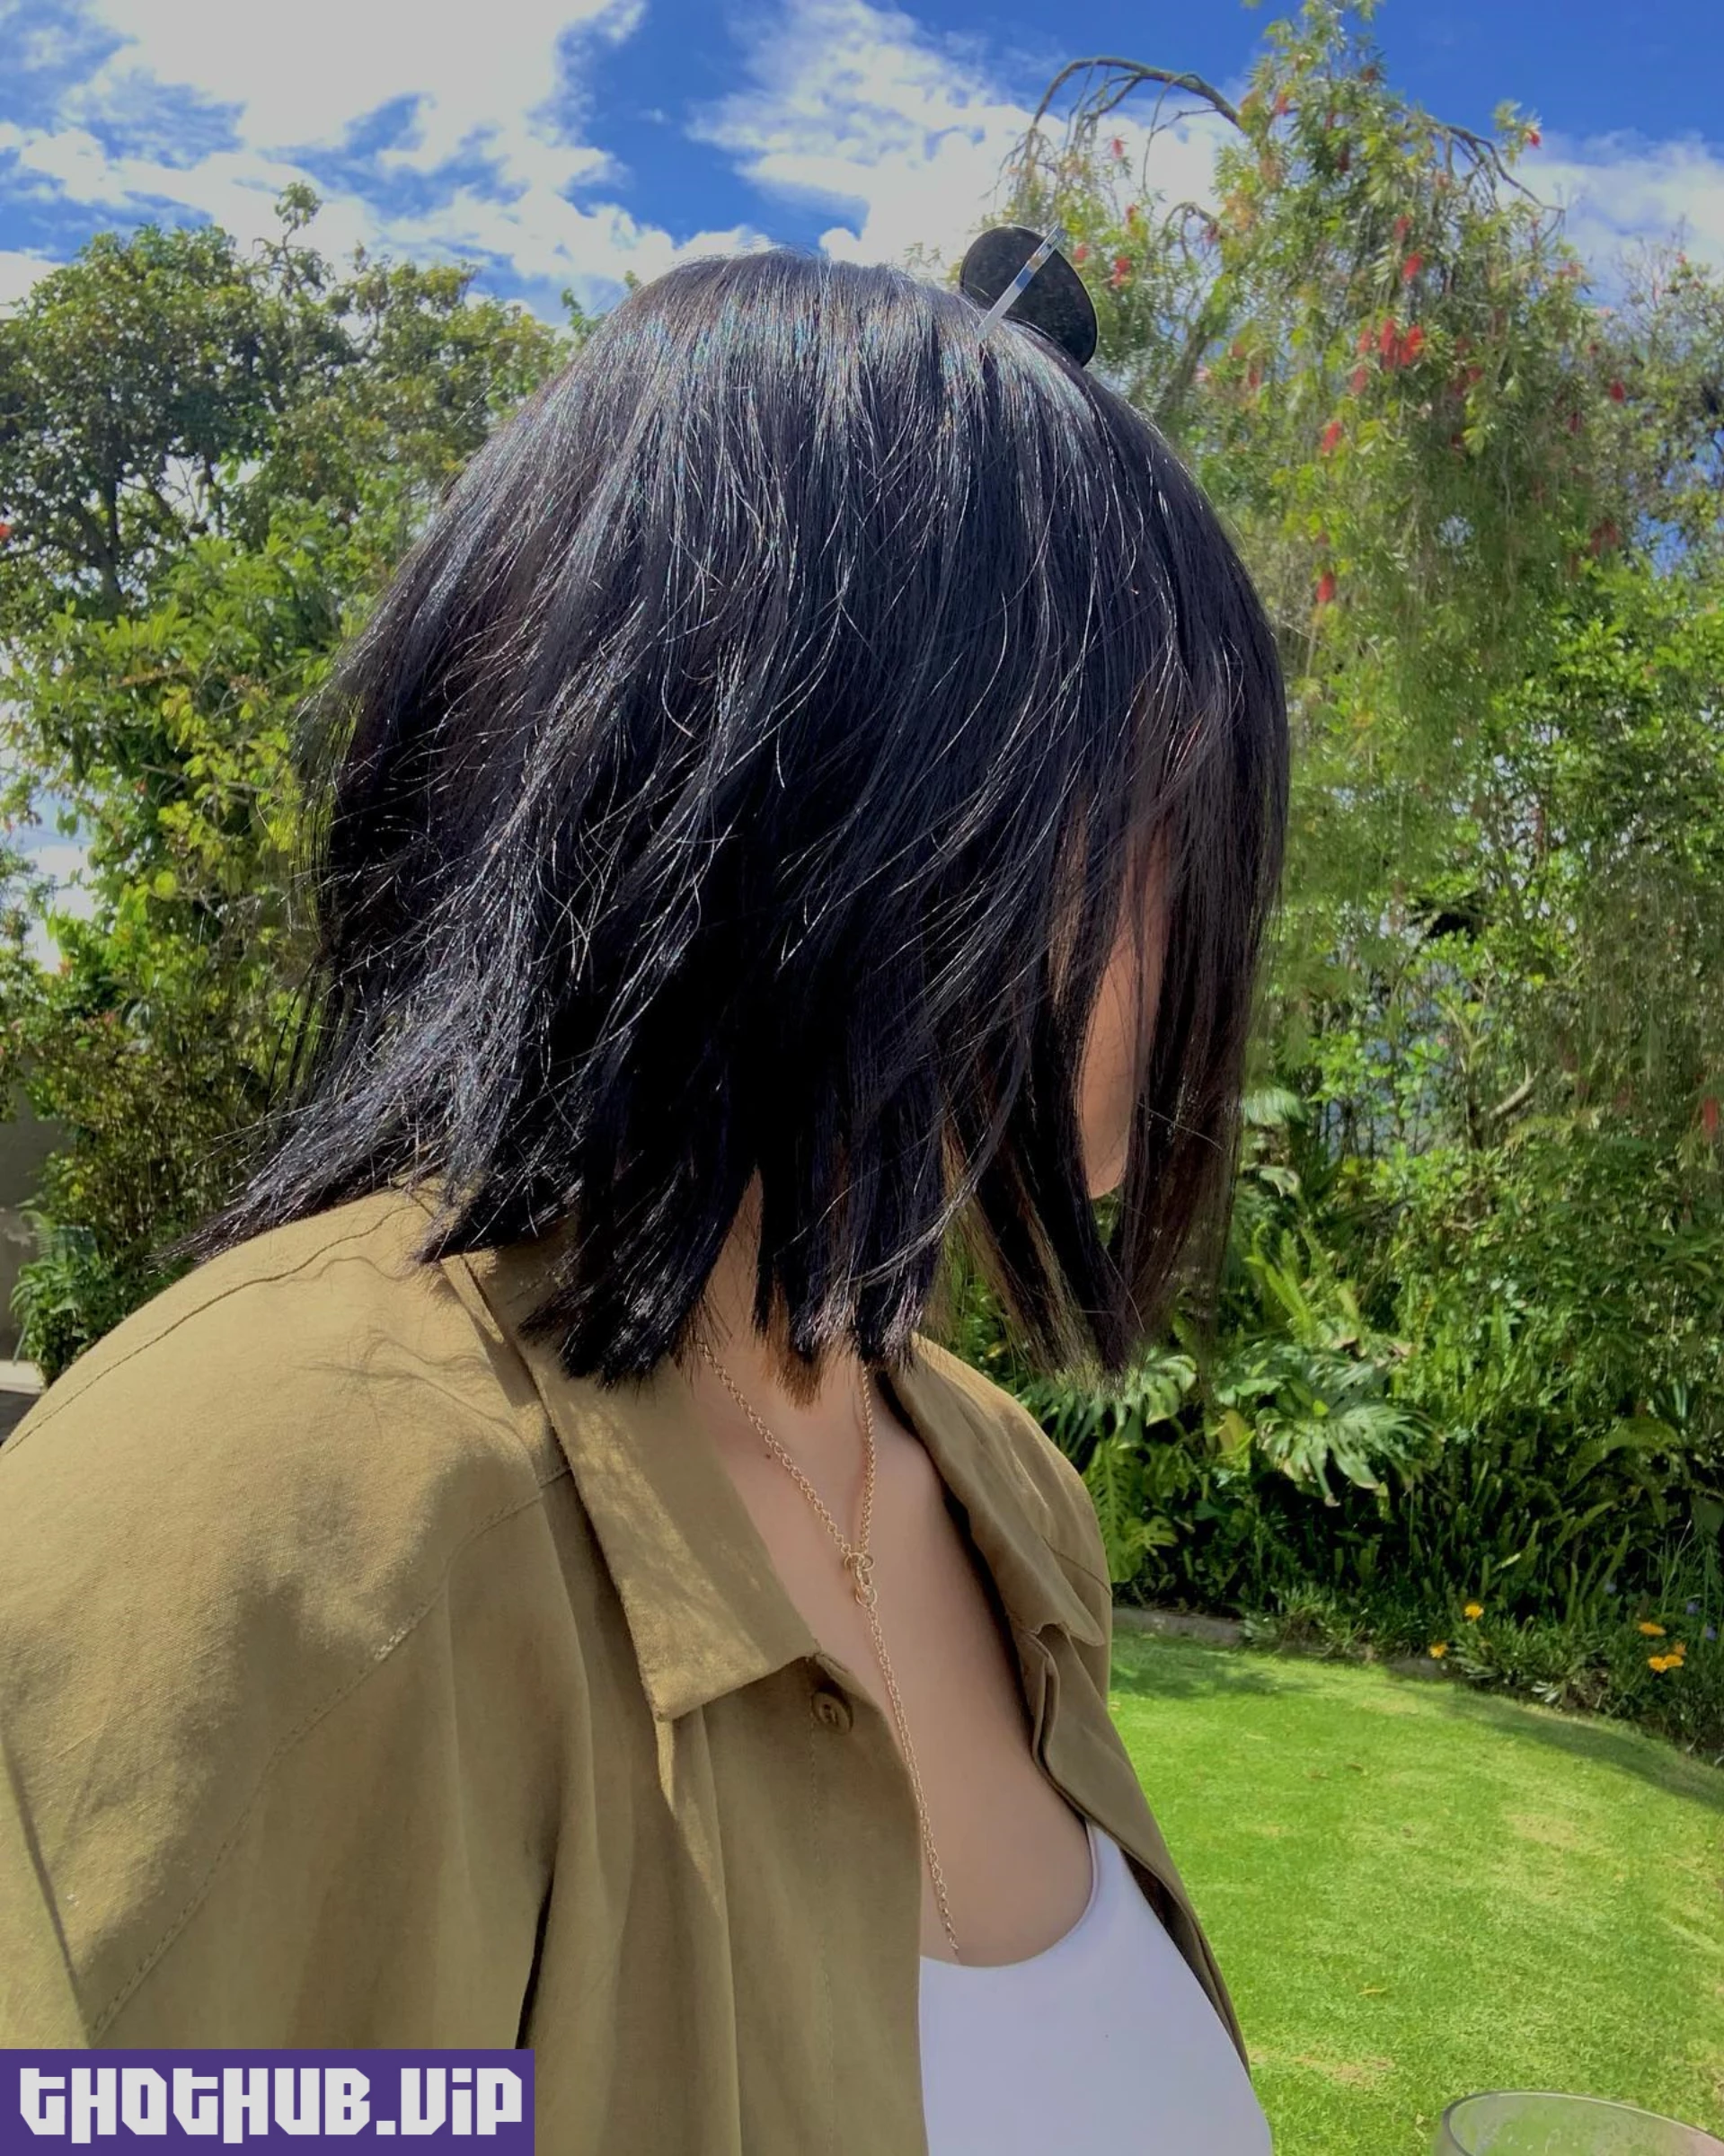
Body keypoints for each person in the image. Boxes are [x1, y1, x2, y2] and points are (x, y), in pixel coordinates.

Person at [0, 235, 1287, 2152]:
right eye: (1162, 817)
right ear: (844, 796)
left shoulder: (1012, 1498)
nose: (1220, 942)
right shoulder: (283, 1519)